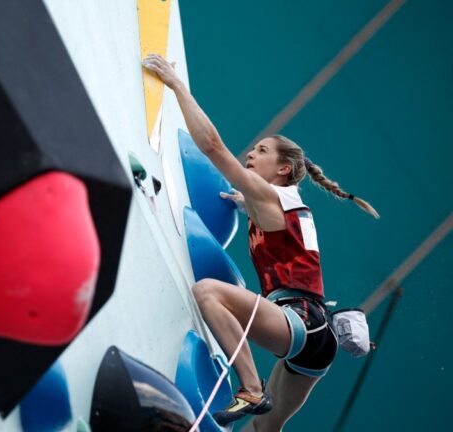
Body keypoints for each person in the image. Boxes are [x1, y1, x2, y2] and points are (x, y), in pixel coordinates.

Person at [143, 54, 379, 431]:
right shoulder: (282, 204)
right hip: (317, 336)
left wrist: (176, 85)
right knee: (263, 430)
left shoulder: (271, 197)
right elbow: (282, 235)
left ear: (283, 169)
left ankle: (252, 387)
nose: (252, 154)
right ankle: (255, 397)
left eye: (262, 151)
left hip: (300, 321)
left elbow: (213, 147)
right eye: (253, 150)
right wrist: (244, 203)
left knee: (208, 293)